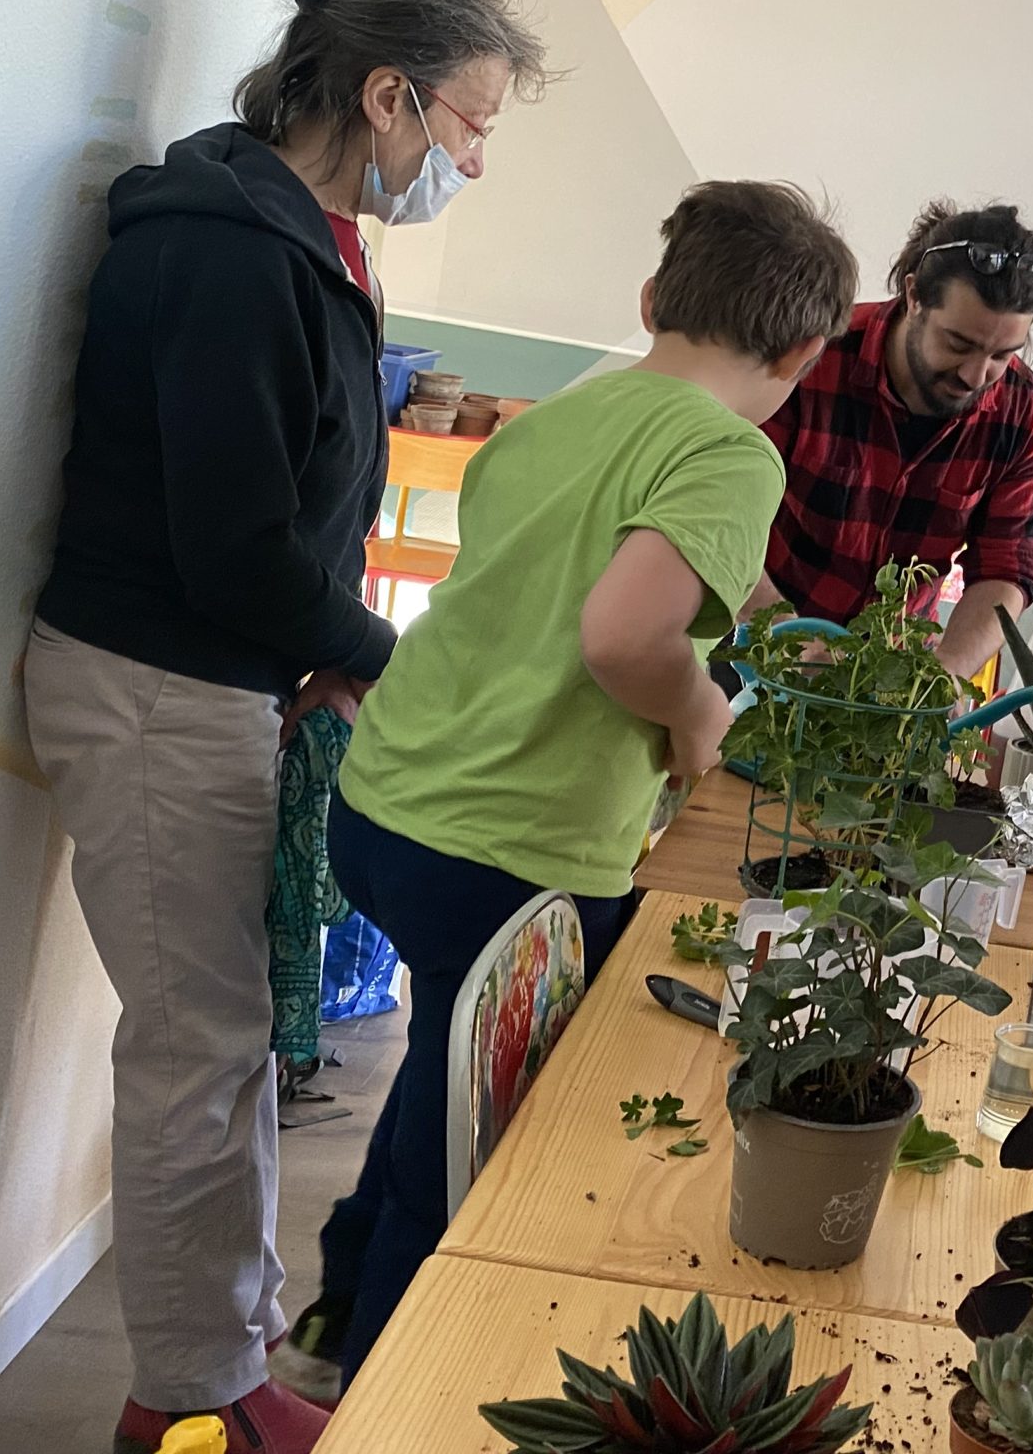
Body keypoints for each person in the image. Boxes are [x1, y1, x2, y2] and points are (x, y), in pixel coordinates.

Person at [23, 0, 543, 1454]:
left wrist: (319, 653)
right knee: (199, 1050)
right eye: (470, 123)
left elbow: (272, 524)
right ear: (387, 95)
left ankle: (215, 1365)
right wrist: (372, 660)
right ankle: (196, 1406)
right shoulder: (235, 249)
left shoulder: (292, 231)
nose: (472, 158)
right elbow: (234, 540)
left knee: (228, 1040)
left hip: (208, 681)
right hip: (152, 687)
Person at [281, 181, 856, 1390]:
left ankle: (337, 1310)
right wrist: (703, 714)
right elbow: (618, 634)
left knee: (442, 1069)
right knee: (473, 1154)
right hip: (510, 847)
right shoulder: (731, 457)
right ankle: (388, 1384)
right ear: (806, 354)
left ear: (651, 300)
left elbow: (579, 562)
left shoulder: (553, 423)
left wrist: (763, 612)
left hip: (385, 799)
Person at [751, 201, 1033, 676]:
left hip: (896, 672)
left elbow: (1007, 565)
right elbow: (724, 519)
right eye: (958, 344)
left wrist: (945, 675)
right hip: (760, 643)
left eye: (1003, 355)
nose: (976, 375)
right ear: (914, 295)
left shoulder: (1026, 413)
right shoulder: (812, 357)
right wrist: (790, 640)